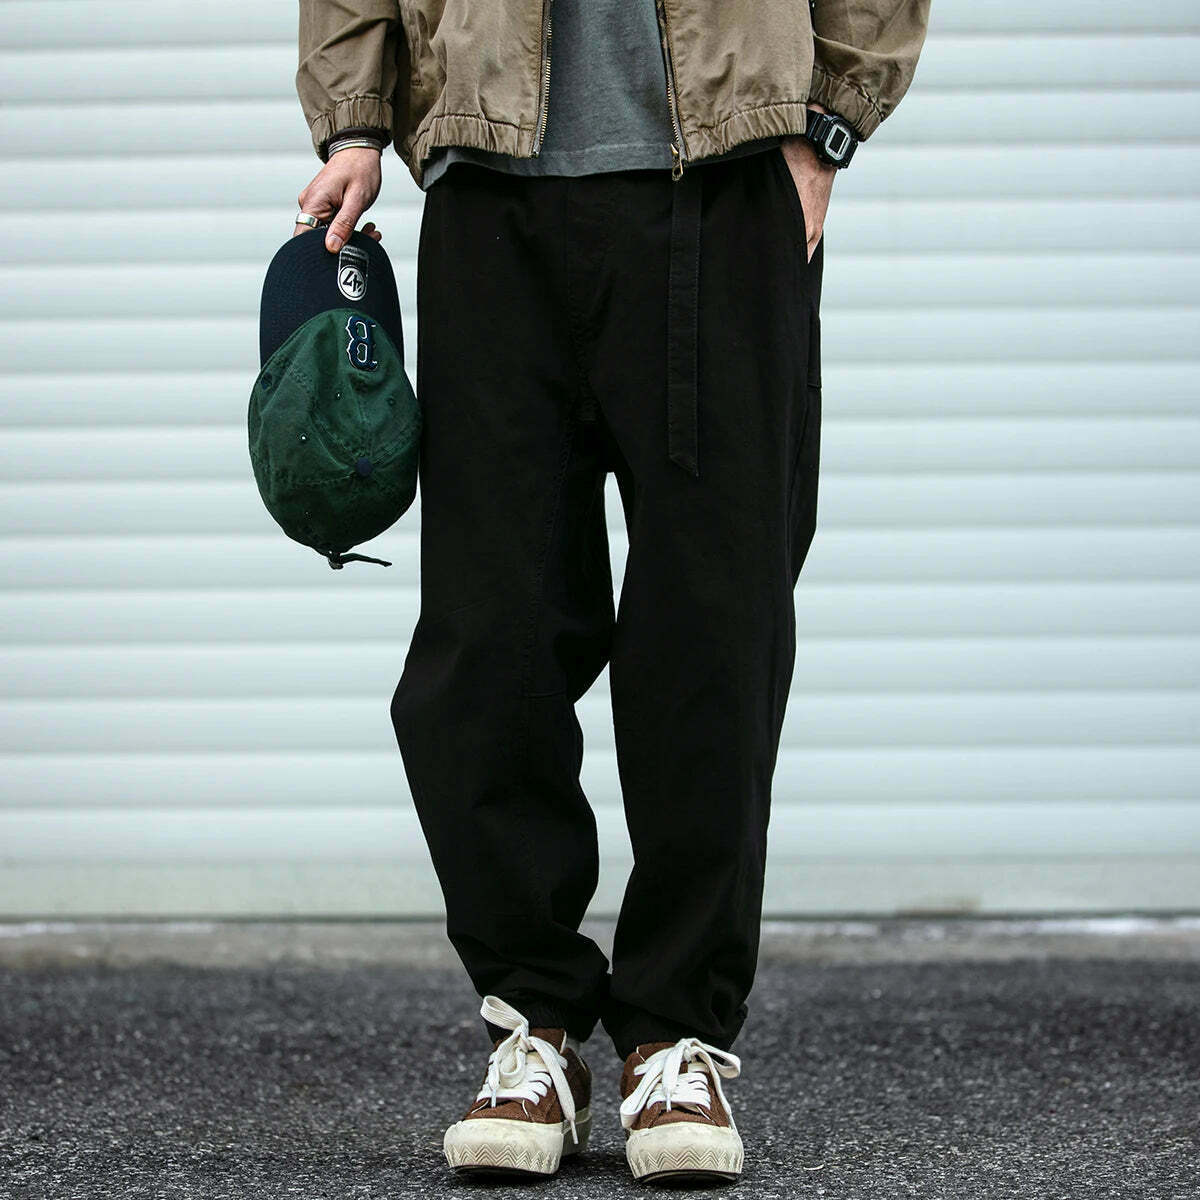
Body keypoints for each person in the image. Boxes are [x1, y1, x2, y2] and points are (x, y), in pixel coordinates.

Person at [292, 0, 928, 1183]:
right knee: (490, 637)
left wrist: (826, 131)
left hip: (726, 183)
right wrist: (355, 122)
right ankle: (533, 1021)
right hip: (490, 191)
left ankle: (674, 1034)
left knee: (714, 630)